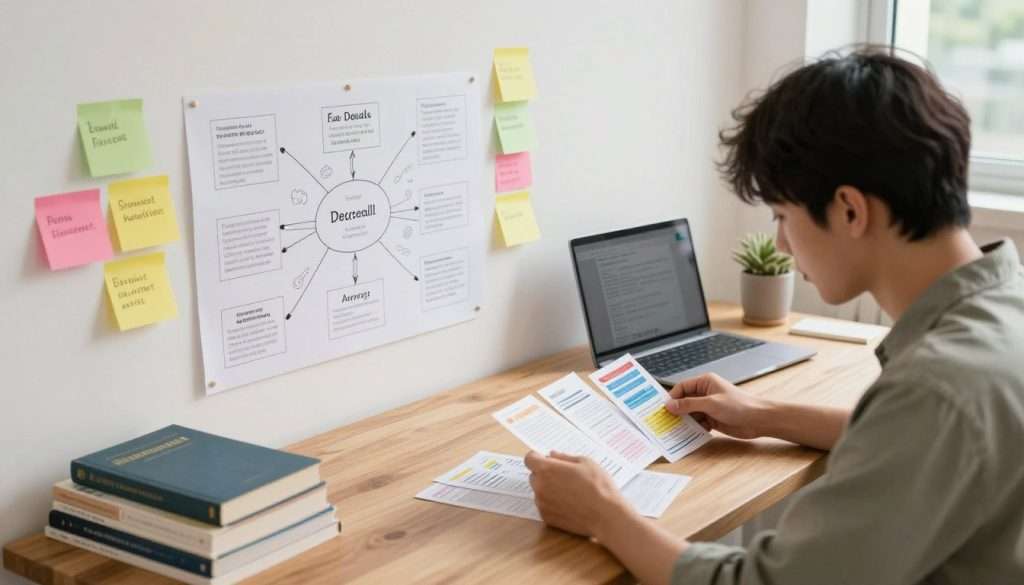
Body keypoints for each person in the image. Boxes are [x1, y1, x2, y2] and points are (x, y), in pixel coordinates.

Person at [525, 47, 1024, 584]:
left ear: (851, 210)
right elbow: (910, 442)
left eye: (783, 216)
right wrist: (762, 413)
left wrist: (604, 514)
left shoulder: (936, 388)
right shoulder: (1002, 309)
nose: (781, 244)